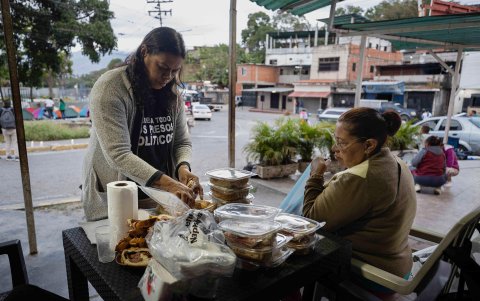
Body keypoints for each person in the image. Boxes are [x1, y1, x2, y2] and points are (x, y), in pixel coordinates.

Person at [81, 27, 203, 221]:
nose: (168, 76)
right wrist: (170, 184)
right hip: (117, 199)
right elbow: (119, 154)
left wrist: (183, 169)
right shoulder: (110, 88)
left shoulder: (173, 95)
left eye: (175, 70)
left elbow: (181, 142)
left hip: (160, 198)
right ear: (145, 51)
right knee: (120, 247)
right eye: (162, 68)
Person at [303, 108, 417, 294]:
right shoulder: (394, 161)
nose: (335, 149)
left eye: (341, 143)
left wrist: (316, 175)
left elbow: (312, 220)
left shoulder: (361, 177)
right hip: (399, 264)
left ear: (369, 145)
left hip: (376, 273)